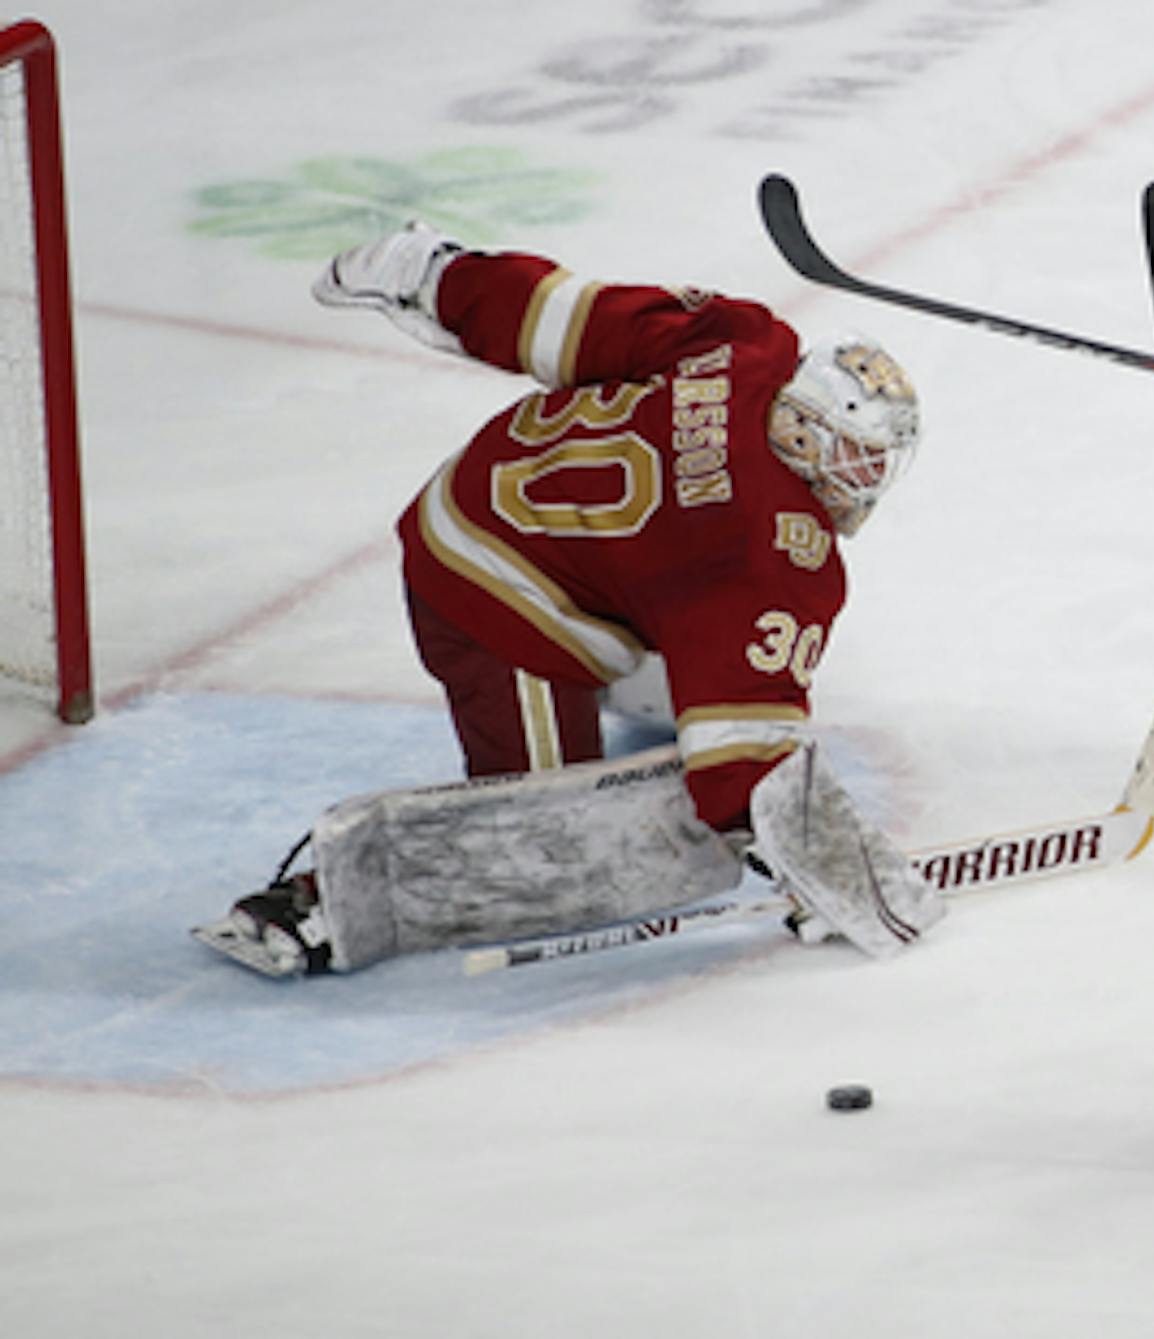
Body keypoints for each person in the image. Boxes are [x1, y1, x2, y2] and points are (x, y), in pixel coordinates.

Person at [192, 222, 942, 977]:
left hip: (509, 494)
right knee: (553, 851)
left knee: (697, 629)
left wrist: (439, 277)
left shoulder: (746, 345)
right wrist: (823, 873)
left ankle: (658, 693)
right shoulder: (768, 550)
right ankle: (319, 905)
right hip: (492, 596)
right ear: (804, 434)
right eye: (857, 454)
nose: (868, 477)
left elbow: (565, 319)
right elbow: (744, 768)